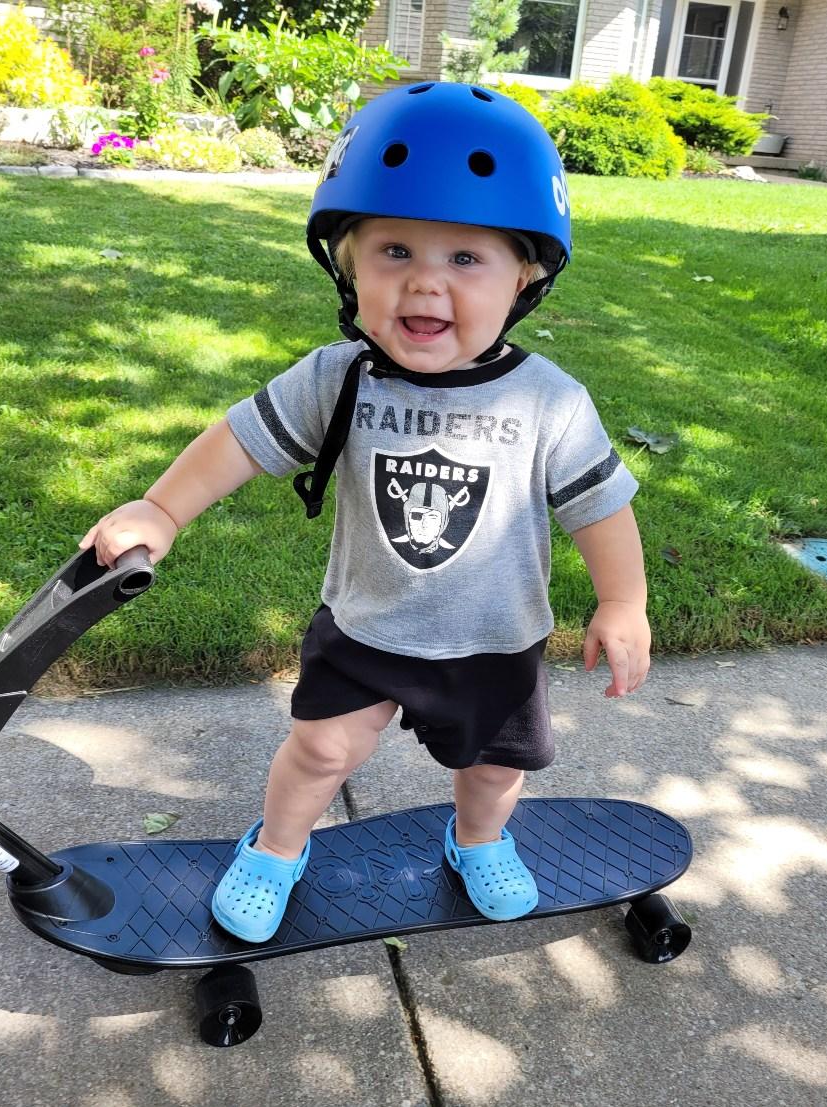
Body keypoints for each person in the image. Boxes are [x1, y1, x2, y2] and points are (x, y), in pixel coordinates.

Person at [79, 81, 650, 944]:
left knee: (494, 771)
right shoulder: (337, 377)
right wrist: (162, 507)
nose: (425, 282)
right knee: (320, 751)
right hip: (367, 628)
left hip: (496, 640)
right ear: (348, 263)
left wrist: (622, 600)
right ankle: (276, 848)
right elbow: (240, 442)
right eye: (394, 250)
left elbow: (600, 506)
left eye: (467, 258)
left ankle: (477, 841)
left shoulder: (549, 401)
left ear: (526, 275)